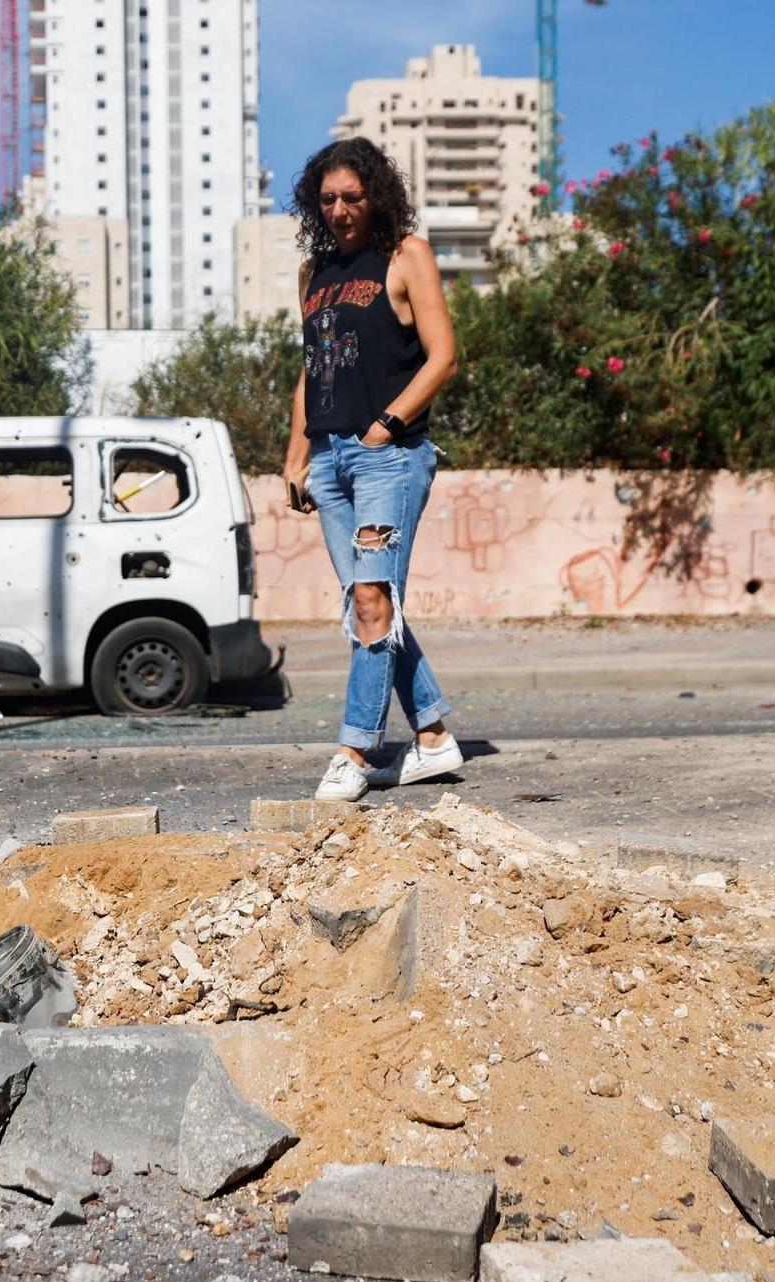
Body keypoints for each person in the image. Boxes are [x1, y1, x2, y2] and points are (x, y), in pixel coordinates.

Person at [283, 137, 462, 803]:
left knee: (371, 600)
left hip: (388, 458)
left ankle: (356, 748)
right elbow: (313, 369)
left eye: (352, 196)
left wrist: (386, 425)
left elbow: (442, 357)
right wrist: (296, 454)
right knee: (372, 605)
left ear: (375, 196)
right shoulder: (313, 274)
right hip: (328, 463)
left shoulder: (406, 256)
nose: (339, 209)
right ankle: (436, 738)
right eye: (327, 198)